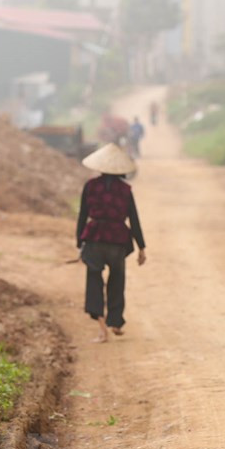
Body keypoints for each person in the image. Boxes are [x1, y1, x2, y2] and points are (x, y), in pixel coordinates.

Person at [76, 143, 147, 343]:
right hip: (117, 240)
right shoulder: (125, 190)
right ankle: (115, 322)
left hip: (95, 238)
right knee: (117, 281)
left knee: (94, 283)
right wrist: (141, 247)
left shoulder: (90, 187)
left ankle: (101, 329)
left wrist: (79, 242)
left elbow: (82, 216)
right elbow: (133, 219)